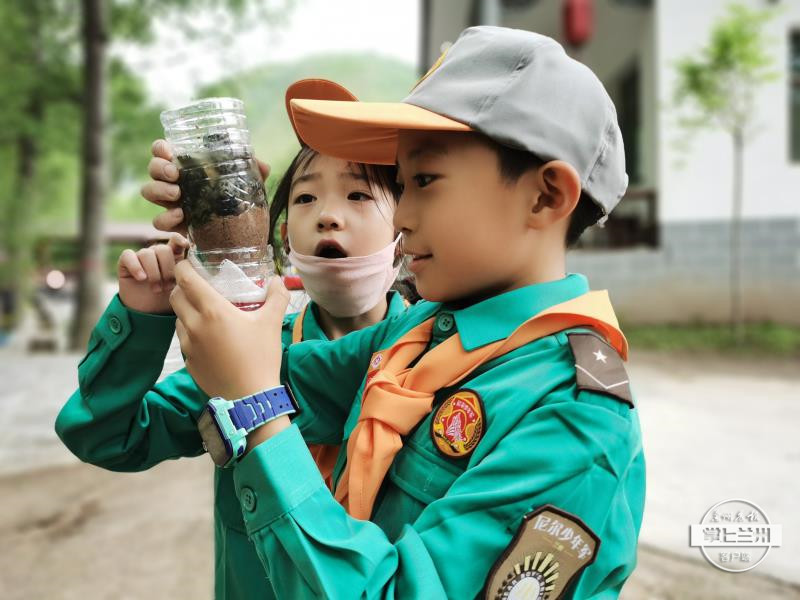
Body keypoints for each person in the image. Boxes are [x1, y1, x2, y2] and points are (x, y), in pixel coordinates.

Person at [169, 26, 646, 599]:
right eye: (399, 184)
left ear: (545, 196)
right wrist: (222, 248)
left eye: (424, 181)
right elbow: (144, 421)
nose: (400, 217)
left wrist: (255, 410)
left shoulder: (574, 421)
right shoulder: (415, 336)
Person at [55, 80, 409, 599]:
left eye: (359, 194)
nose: (329, 214)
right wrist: (144, 319)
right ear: (283, 237)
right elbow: (104, 435)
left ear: (407, 231)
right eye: (307, 197)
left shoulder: (432, 356)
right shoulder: (236, 352)